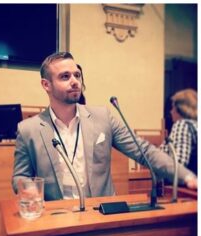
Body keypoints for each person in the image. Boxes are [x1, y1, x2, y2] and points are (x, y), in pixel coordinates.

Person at [12, 52, 197, 201]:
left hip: (102, 213)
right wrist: (30, 191)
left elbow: (145, 151)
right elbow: (19, 176)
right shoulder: (28, 129)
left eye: (77, 75)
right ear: (46, 85)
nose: (75, 81)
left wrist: (188, 177)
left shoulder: (103, 117)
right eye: (65, 76)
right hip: (57, 216)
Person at [160, 89, 197, 175]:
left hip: (184, 185)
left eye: (173, 107)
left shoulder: (182, 125)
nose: (171, 111)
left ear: (180, 109)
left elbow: (178, 165)